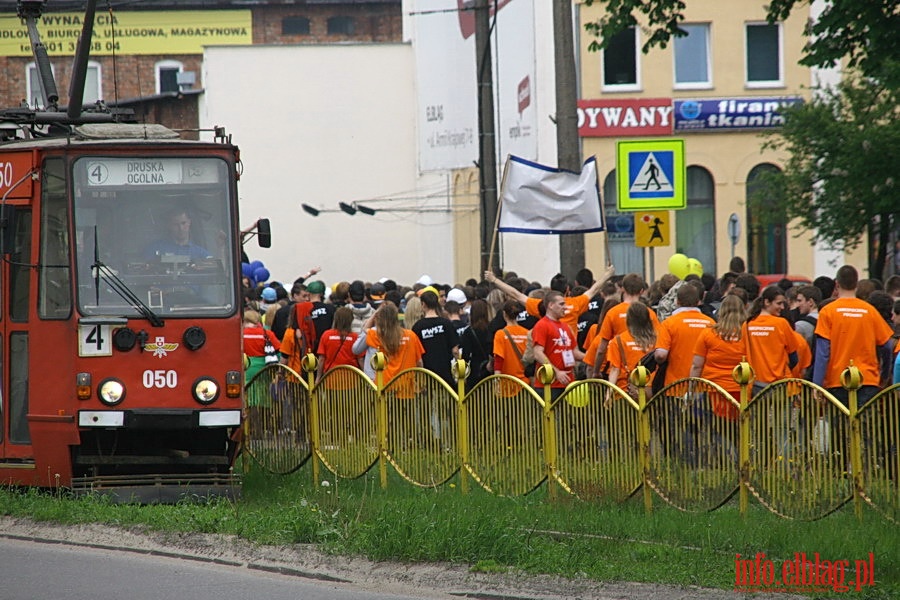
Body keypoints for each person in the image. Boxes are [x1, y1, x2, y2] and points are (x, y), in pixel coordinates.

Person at [813, 265, 895, 408]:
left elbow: (823, 352)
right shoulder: (869, 311)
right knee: (865, 426)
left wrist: (817, 384)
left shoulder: (828, 312)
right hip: (867, 379)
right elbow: (887, 346)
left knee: (840, 427)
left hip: (838, 380)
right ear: (856, 284)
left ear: (837, 284)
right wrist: (884, 375)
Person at [691, 295, 748, 421]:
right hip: (742, 387)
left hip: (714, 388)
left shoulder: (708, 333)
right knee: (740, 425)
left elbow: (697, 365)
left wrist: (691, 388)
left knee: (719, 426)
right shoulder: (748, 334)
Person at [654, 283, 715, 387]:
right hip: (704, 385)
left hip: (675, 386)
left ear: (677, 301)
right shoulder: (711, 323)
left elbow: (661, 354)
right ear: (698, 302)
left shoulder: (669, 323)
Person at [743, 286, 798, 394]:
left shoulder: (747, 325)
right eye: (778, 303)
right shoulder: (781, 324)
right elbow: (794, 357)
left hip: (755, 384)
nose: (782, 307)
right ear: (767, 302)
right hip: (780, 383)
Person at [530, 291, 583, 398]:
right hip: (549, 384)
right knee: (550, 414)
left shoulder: (566, 327)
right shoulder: (542, 325)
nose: (565, 307)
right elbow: (537, 353)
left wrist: (592, 358)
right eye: (561, 304)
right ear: (550, 305)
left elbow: (574, 352)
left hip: (568, 382)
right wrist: (556, 372)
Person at [606, 302, 657, 400]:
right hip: (651, 394)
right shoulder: (656, 340)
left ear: (628, 320)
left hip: (624, 393)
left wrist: (609, 392)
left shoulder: (619, 341)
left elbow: (614, 370)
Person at [412, 290, 460, 389]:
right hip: (445, 373)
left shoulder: (418, 327)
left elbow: (416, 355)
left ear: (423, 304)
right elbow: (455, 350)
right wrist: (459, 369)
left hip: (427, 374)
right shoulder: (446, 323)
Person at [145, 208, 214, 262]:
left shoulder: (200, 253)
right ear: (169, 225)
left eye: (183, 223)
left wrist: (221, 248)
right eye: (175, 224)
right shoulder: (155, 249)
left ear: (189, 222)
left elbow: (216, 270)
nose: (181, 228)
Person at [316, 306, 363, 384]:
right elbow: (360, 359)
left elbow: (321, 359)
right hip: (351, 381)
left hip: (330, 379)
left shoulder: (326, 335)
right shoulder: (355, 337)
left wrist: (318, 378)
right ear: (351, 320)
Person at [492, 300, 529, 391]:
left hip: (507, 384)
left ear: (504, 314)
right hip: (525, 384)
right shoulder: (527, 333)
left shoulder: (500, 334)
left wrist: (496, 382)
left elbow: (498, 360)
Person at [459, 298, 493, 389]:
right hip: (491, 368)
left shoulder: (468, 332)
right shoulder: (492, 329)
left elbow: (465, 355)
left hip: (476, 369)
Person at [243, 309, 281, 382]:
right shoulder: (267, 334)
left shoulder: (240, 335)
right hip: (265, 369)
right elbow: (279, 352)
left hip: (246, 368)